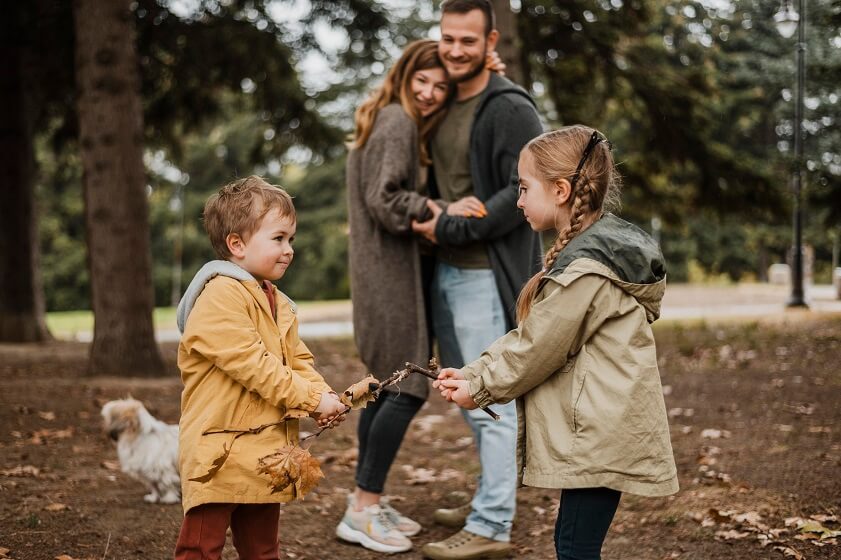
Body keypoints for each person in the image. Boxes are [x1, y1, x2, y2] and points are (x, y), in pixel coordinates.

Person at [434, 126, 680, 560]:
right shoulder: (588, 256)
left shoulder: (585, 269)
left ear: (561, 190)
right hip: (601, 425)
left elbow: (538, 349)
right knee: (574, 545)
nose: (519, 201)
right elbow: (534, 336)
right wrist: (475, 371)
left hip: (601, 429)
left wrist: (481, 388)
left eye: (524, 188)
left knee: (573, 548)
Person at [411, 1, 543, 558]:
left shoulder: (510, 107)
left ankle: (491, 526)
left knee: (491, 398)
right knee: (466, 396)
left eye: (468, 40)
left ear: (490, 40)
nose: (456, 50)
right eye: (448, 38)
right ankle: (490, 498)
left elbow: (520, 192)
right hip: (445, 271)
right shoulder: (443, 99)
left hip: (485, 276)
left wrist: (450, 226)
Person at [173, 176, 346, 560]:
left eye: (292, 240)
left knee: (263, 549)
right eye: (279, 238)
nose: (289, 250)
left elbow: (297, 360)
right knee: (200, 548)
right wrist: (312, 398)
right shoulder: (219, 295)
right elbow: (255, 366)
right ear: (236, 244)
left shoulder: (276, 300)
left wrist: (325, 396)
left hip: (265, 451)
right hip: (219, 451)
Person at [340, 39, 453, 555]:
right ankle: (362, 507)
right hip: (389, 280)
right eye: (421, 82)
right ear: (403, 77)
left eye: (440, 86)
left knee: (386, 388)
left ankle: (366, 503)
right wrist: (439, 209)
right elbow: (384, 200)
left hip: (382, 278)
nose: (429, 94)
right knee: (407, 389)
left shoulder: (389, 118)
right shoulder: (397, 122)